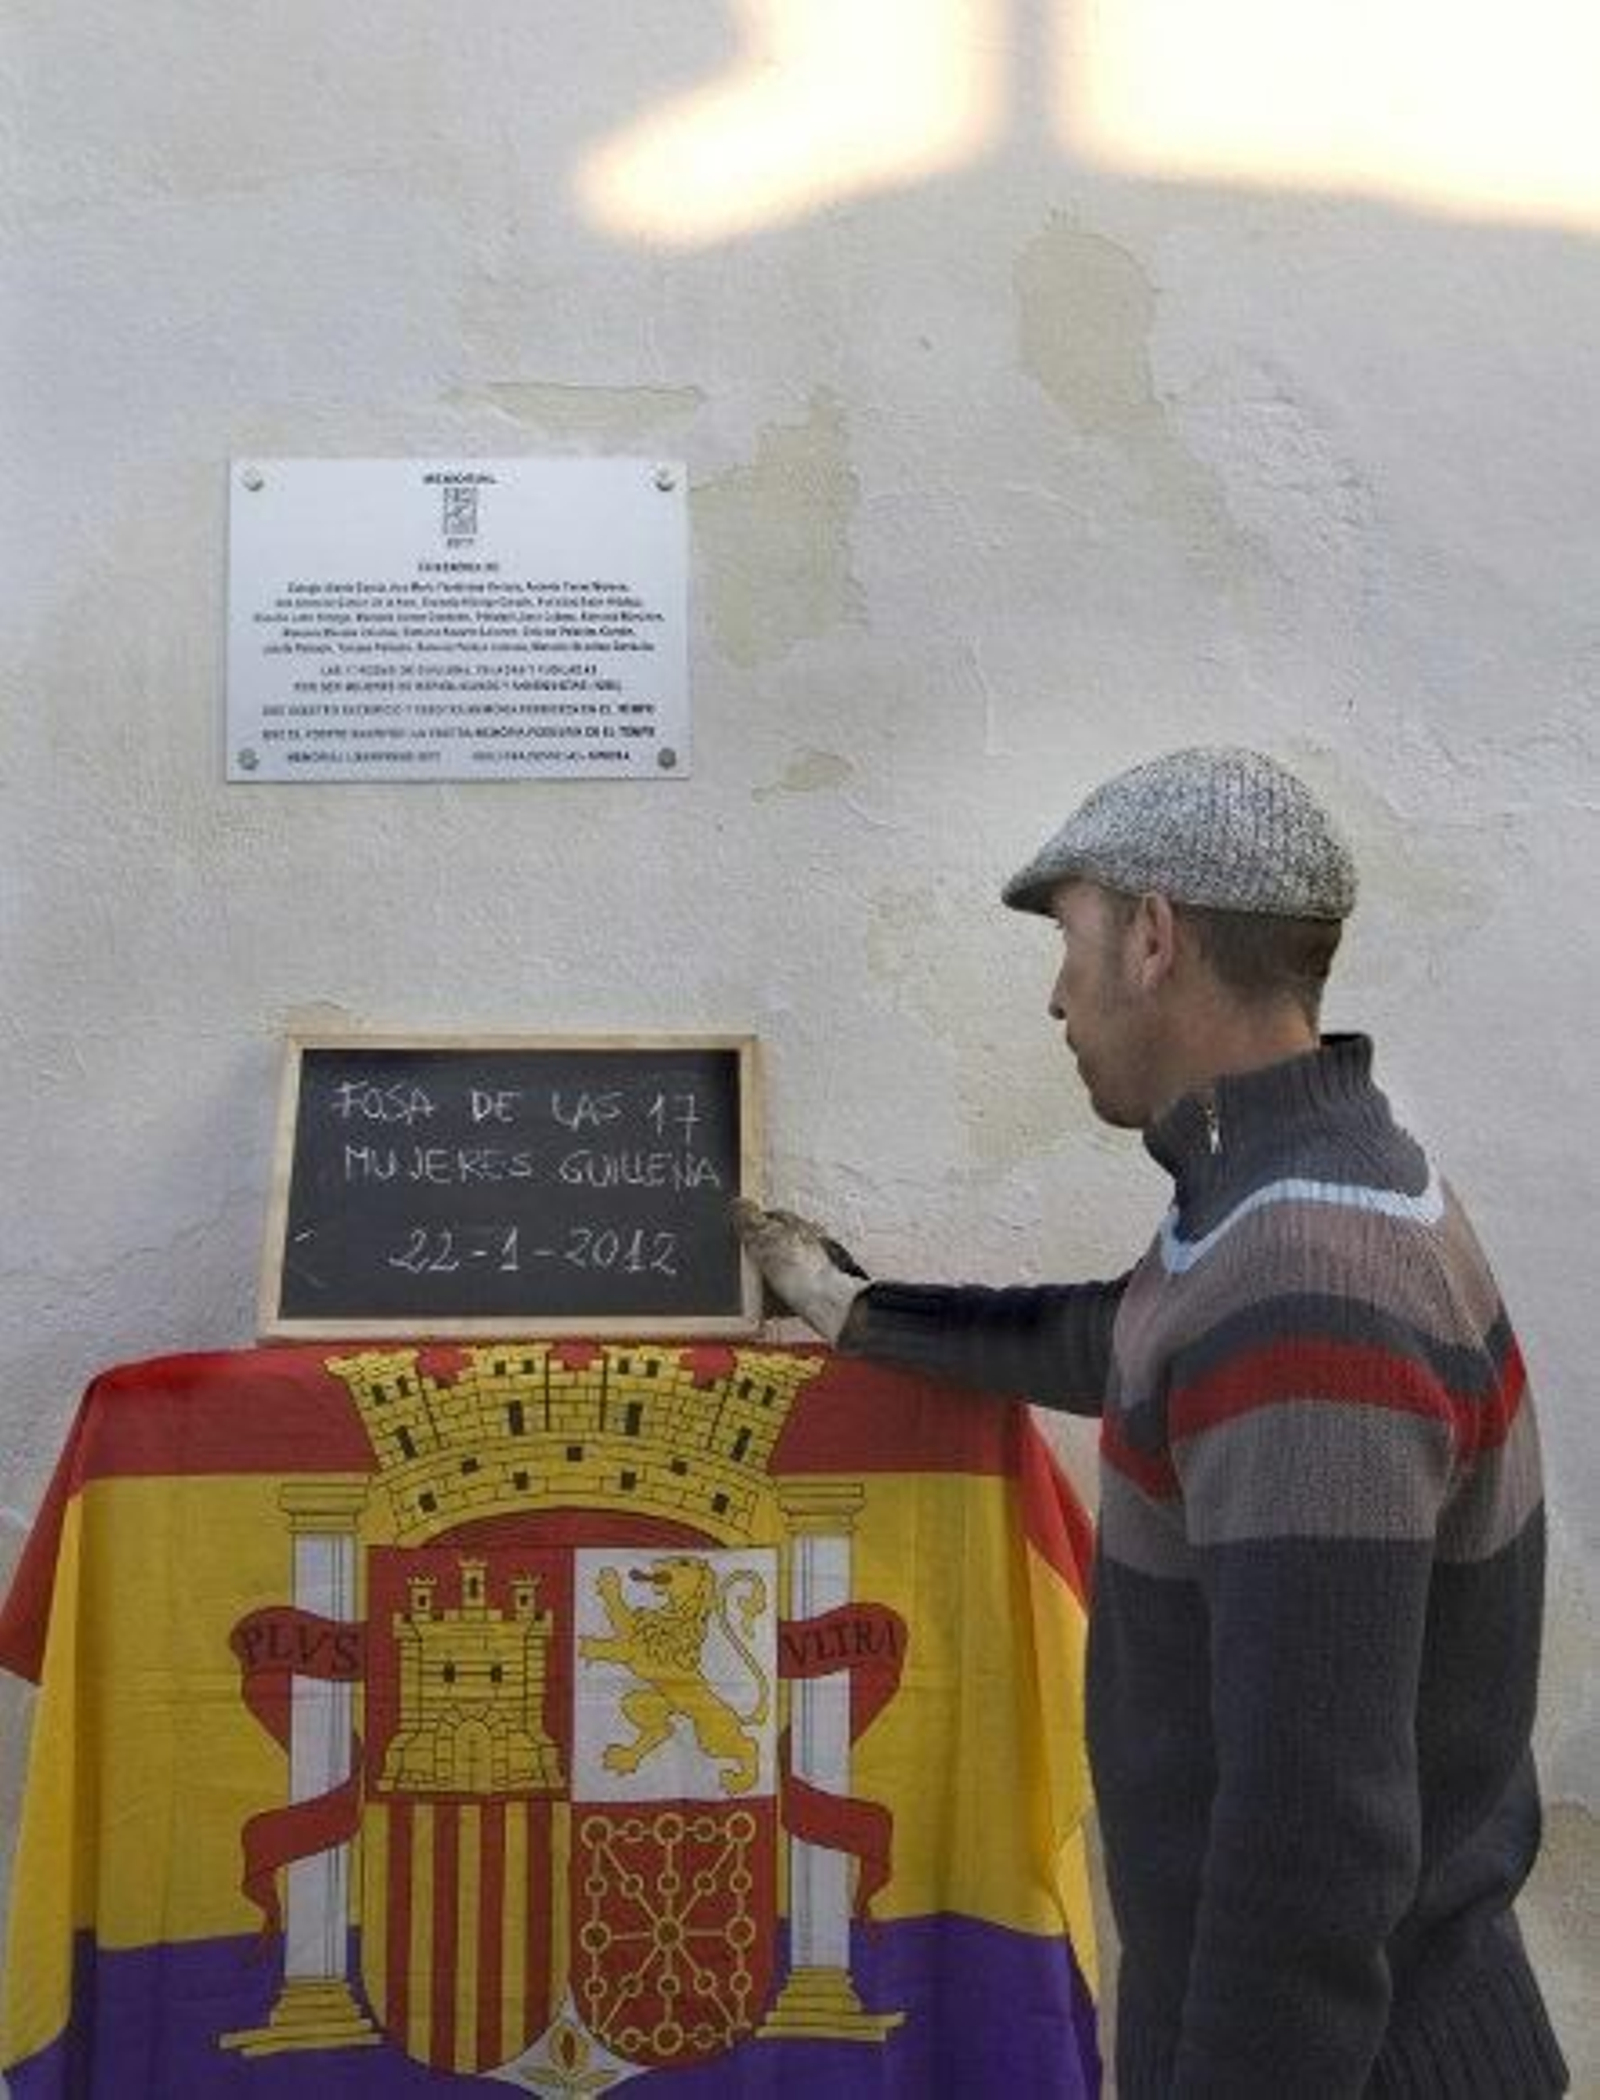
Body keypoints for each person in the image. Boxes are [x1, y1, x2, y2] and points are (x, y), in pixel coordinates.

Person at [733, 747, 1568, 2098]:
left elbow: (1312, 1851)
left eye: (1070, 940)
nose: (1057, 996)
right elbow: (1133, 1337)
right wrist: (862, 1312)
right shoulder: (1290, 1189)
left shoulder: (1310, 1276)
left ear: (1155, 939)